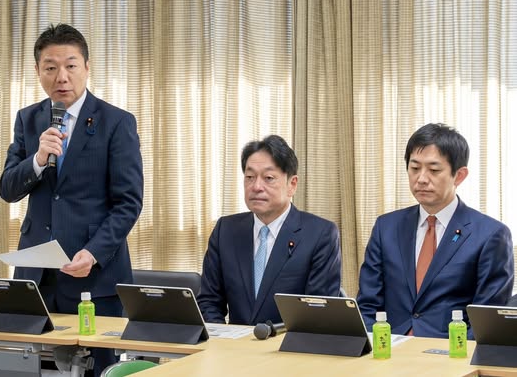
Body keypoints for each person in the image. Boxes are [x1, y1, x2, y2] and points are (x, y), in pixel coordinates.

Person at [0, 23, 143, 376]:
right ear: (38, 71)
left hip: (93, 276)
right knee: (31, 369)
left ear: (87, 67)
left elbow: (128, 202)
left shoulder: (116, 122)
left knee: (98, 369)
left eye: (71, 65)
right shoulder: (28, 119)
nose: (61, 77)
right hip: (36, 277)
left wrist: (93, 253)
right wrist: (38, 159)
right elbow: (8, 189)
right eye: (50, 67)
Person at [357, 123, 514, 339]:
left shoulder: (491, 235)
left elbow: (487, 320)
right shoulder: (387, 227)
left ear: (459, 175)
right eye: (414, 168)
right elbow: (367, 305)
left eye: (434, 170)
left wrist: (451, 353)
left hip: (451, 352)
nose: (421, 179)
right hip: (389, 348)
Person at [197, 135, 341, 325]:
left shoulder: (320, 234)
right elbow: (209, 302)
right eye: (250, 177)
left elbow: (317, 314)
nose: (256, 186)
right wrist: (222, 338)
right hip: (231, 343)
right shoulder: (226, 230)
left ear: (292, 185)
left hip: (288, 342)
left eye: (269, 178)